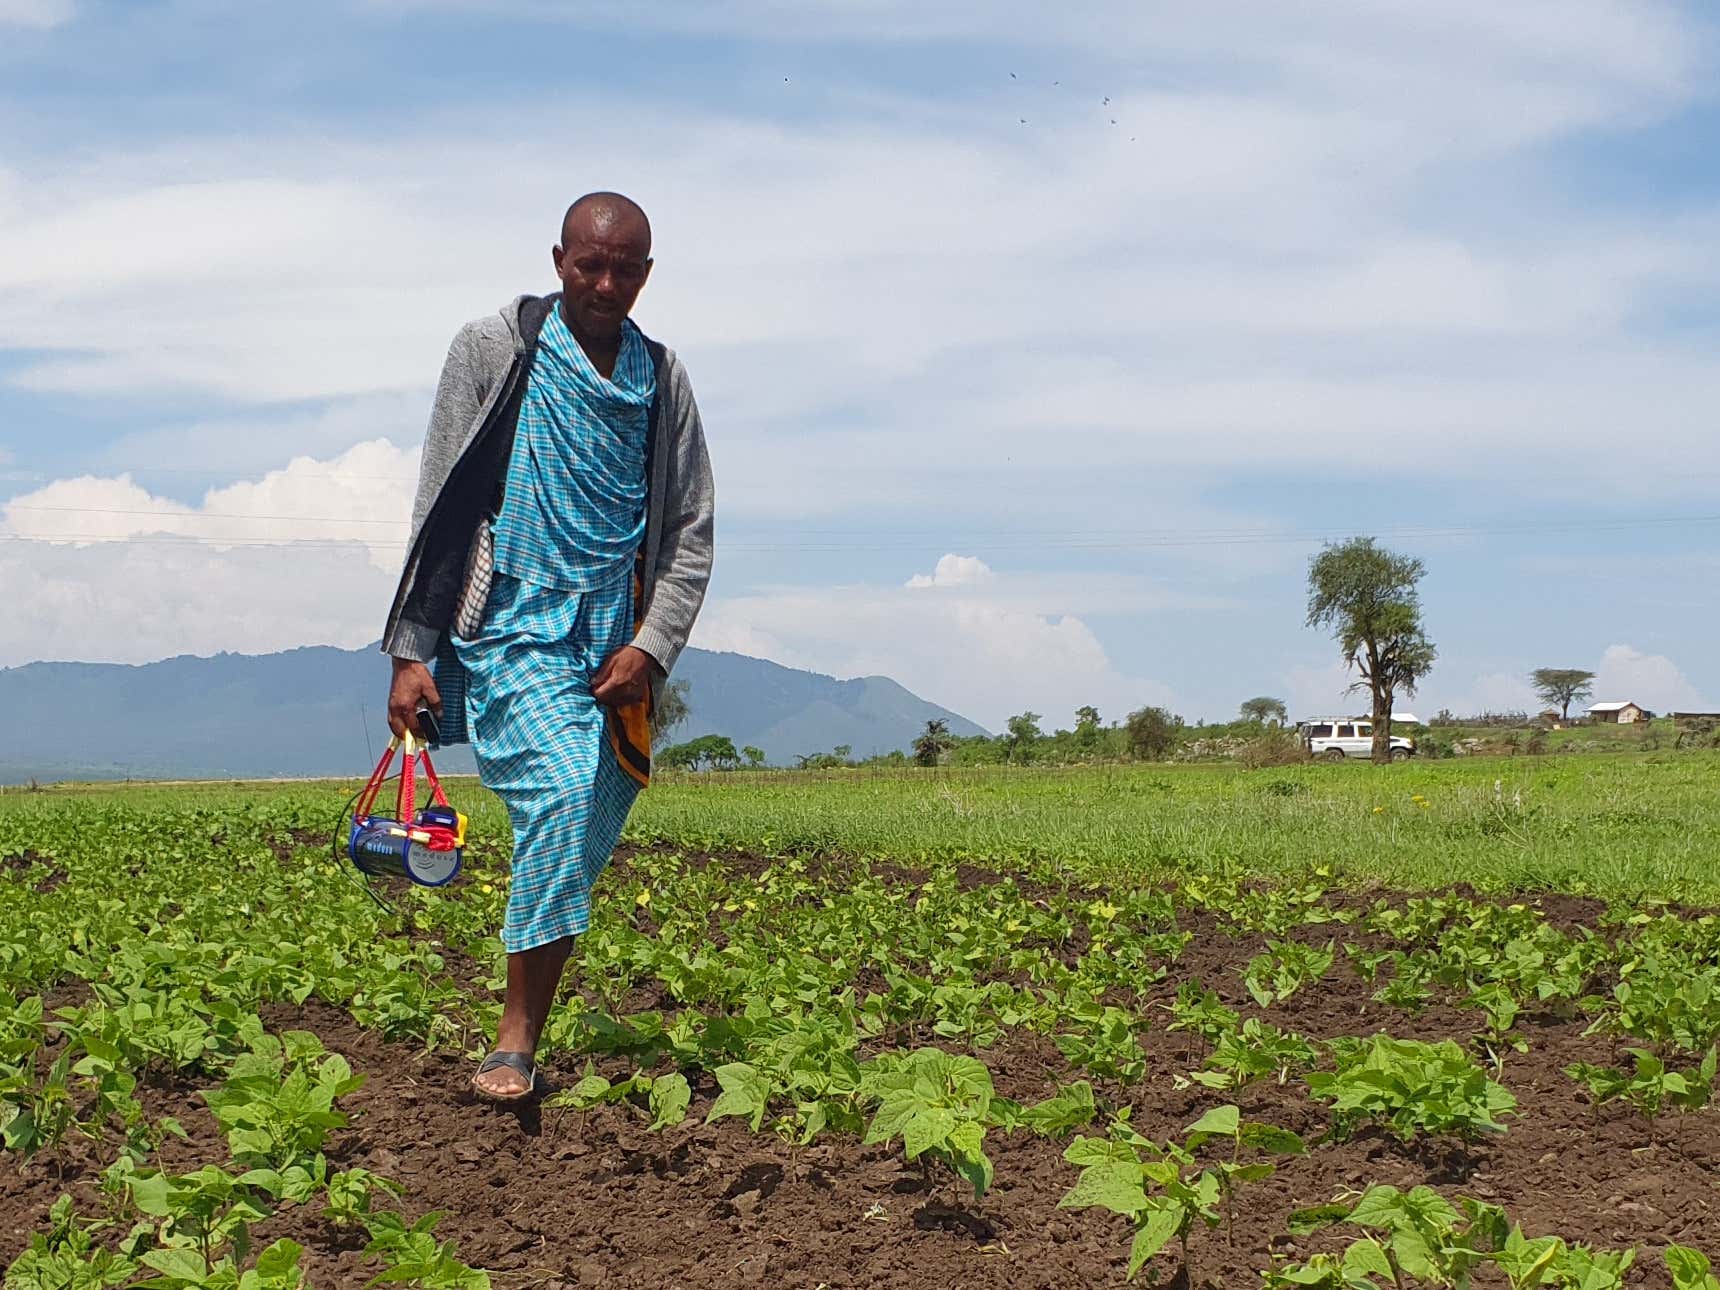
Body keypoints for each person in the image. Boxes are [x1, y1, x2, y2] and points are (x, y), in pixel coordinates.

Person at [380, 192, 714, 1101]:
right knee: (566, 796)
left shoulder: (662, 378)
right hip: (513, 625)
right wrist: (413, 649)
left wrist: (650, 647)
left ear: (647, 275)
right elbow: (439, 500)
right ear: (558, 259)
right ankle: (515, 1038)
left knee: (586, 819)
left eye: (625, 269)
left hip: (614, 638)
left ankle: (530, 1024)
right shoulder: (494, 351)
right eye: (587, 265)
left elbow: (688, 528)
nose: (604, 284)